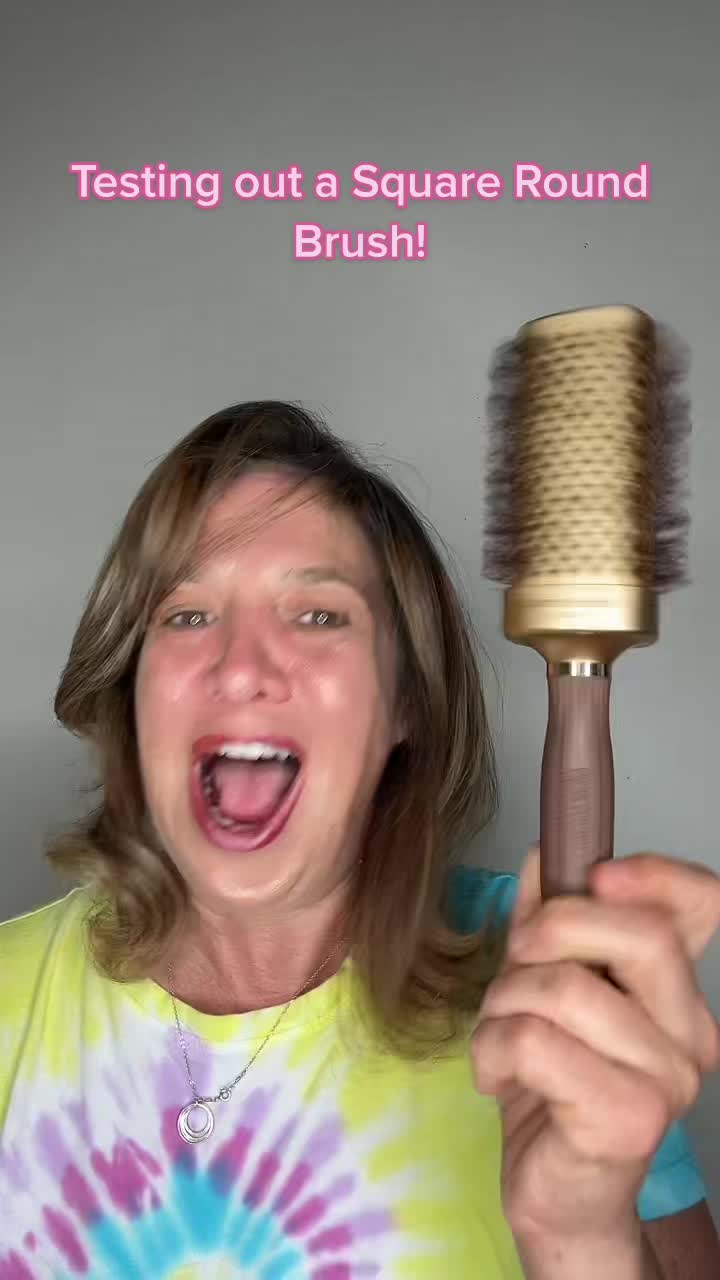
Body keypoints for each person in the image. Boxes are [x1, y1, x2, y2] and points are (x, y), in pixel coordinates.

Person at [1, 401, 718, 1279]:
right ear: (132, 689)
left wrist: (582, 1236)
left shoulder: (552, 984)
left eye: (317, 615)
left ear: (405, 703)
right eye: (186, 614)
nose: (241, 667)